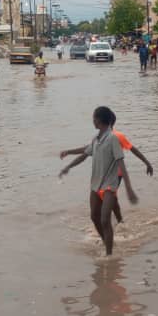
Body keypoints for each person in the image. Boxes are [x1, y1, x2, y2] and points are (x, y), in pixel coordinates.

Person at [59, 106, 136, 257]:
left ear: (100, 120)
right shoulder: (96, 139)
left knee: (105, 218)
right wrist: (68, 165)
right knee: (94, 217)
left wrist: (128, 188)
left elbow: (121, 163)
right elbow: (84, 153)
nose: (93, 120)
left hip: (110, 185)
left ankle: (109, 255)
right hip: (95, 184)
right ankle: (107, 240)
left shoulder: (113, 138)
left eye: (94, 118)